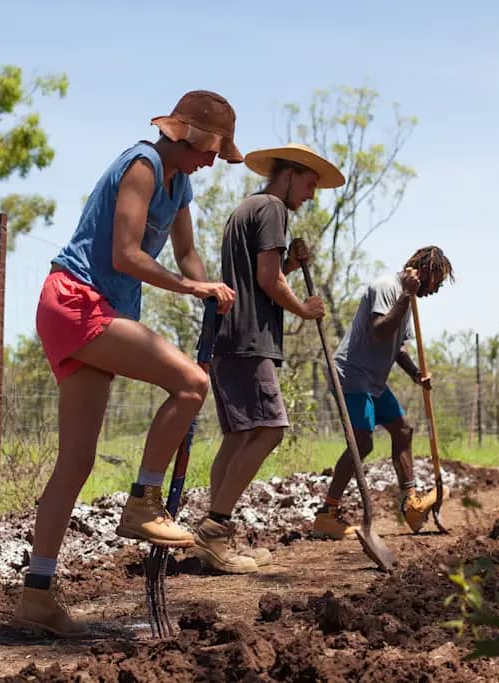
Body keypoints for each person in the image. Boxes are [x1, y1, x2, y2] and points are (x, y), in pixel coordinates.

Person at [14, 91, 242, 635]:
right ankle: (143, 501)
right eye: (211, 149)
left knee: (76, 462)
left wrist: (207, 285)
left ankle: (36, 594)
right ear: (187, 135)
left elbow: (186, 253)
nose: (212, 160)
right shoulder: (142, 165)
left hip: (89, 308)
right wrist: (191, 287)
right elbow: (125, 254)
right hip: (76, 301)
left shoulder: (179, 182)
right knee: (191, 382)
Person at [190, 144, 344, 573]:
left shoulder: (249, 208)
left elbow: (263, 277)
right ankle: (214, 531)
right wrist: (304, 308)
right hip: (248, 337)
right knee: (271, 429)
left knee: (239, 436)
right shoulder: (273, 207)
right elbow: (267, 279)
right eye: (310, 184)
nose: (311, 194)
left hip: (227, 335)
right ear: (290, 173)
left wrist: (290, 265)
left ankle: (212, 535)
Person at [312, 246, 455, 539]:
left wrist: (416, 373)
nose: (436, 290)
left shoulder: (408, 300)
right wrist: (405, 296)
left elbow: (397, 347)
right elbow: (379, 331)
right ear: (426, 270)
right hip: (351, 373)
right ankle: (327, 515)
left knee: (403, 430)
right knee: (362, 443)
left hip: (373, 380)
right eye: (437, 282)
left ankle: (411, 503)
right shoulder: (386, 287)